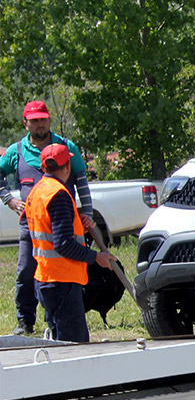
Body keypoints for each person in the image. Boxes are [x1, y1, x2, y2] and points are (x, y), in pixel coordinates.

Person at [1, 101, 95, 335]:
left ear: (49, 120)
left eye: (43, 119)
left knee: (64, 269)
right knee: (26, 271)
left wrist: (88, 213)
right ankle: (25, 321)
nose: (40, 124)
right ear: (26, 123)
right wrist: (8, 199)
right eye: (34, 120)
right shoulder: (17, 151)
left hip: (61, 220)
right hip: (30, 223)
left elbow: (82, 182)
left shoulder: (65, 147)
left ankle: (61, 317)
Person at [24, 143, 116, 342]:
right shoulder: (59, 195)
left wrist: (77, 225)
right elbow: (63, 244)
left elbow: (46, 230)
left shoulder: (37, 192)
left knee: (60, 343)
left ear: (43, 167)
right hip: (61, 282)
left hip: (46, 278)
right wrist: (96, 257)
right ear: (67, 167)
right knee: (74, 348)